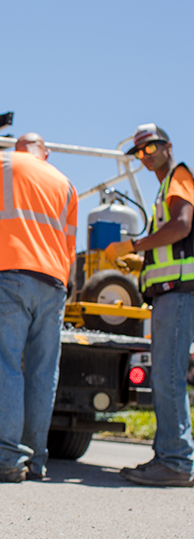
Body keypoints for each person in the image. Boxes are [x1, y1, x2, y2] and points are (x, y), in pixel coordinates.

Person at [0, 133, 78, 482]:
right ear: (44, 153)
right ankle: (36, 460)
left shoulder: (1, 162)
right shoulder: (66, 185)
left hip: (12, 274)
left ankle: (5, 459)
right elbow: (70, 247)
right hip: (54, 284)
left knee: (4, 366)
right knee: (42, 374)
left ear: (19, 147)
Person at [105, 123, 194, 487]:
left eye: (150, 148)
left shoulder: (180, 176)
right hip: (170, 293)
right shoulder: (166, 185)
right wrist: (142, 263)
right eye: (140, 152)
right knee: (166, 376)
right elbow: (174, 245)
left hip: (179, 293)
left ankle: (176, 461)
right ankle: (168, 456)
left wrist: (133, 246)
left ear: (167, 146)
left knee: (168, 376)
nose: (145, 156)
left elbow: (182, 227)